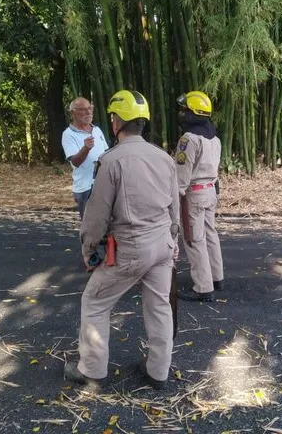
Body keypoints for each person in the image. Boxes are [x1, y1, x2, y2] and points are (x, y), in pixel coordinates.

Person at [64, 90, 180, 391]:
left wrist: (89, 249)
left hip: (132, 247)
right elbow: (173, 207)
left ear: (116, 122)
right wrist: (173, 241)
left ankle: (91, 370)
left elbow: (96, 216)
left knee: (94, 301)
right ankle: (158, 371)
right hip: (162, 245)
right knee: (159, 307)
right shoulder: (163, 158)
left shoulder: (112, 161)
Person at [173, 91, 224, 302]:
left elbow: (181, 177)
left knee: (195, 239)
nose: (181, 113)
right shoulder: (214, 138)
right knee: (210, 234)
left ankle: (203, 288)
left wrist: (174, 198)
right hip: (211, 191)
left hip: (194, 195)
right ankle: (216, 277)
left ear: (192, 113)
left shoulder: (189, 140)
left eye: (184, 110)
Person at [61, 97, 109, 220]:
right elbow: (75, 162)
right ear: (73, 112)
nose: (88, 112)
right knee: (90, 227)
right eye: (82, 110)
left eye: (89, 108)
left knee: (106, 226)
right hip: (85, 188)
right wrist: (85, 148)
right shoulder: (68, 134)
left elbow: (106, 154)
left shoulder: (97, 130)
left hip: (103, 185)